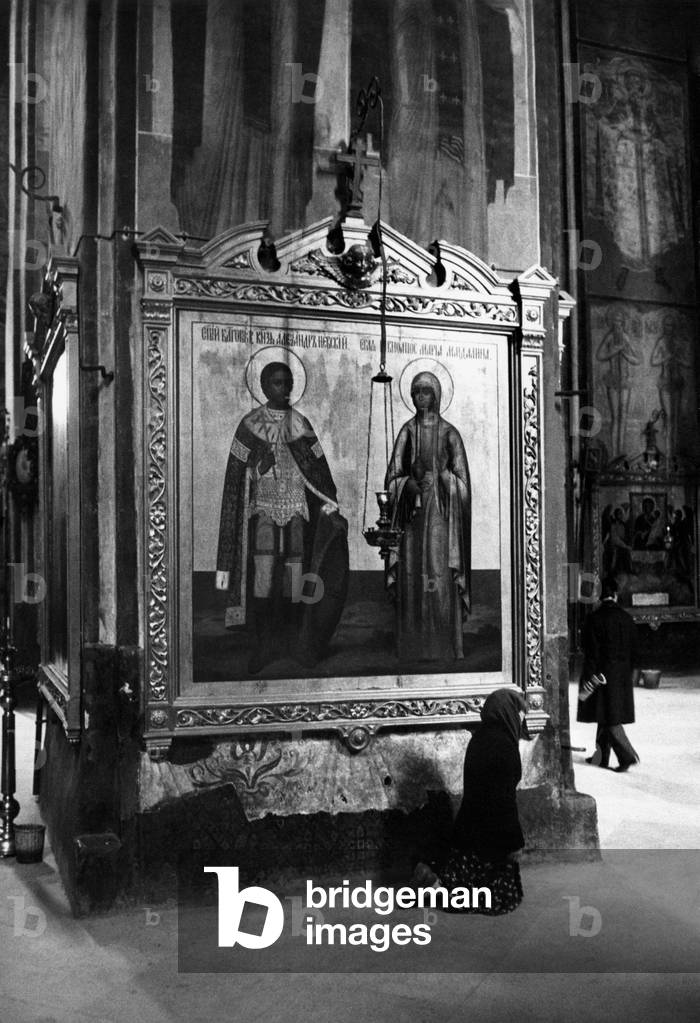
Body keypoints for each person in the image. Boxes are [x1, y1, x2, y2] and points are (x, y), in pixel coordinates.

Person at [215, 361, 348, 673]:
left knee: (294, 577)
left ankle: (294, 642)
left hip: (297, 510)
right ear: (264, 386)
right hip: (262, 509)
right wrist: (260, 465)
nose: (284, 388)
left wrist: (330, 506)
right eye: (277, 382)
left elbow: (317, 469)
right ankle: (264, 645)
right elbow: (238, 477)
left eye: (287, 382)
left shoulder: (301, 424)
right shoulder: (250, 425)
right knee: (263, 577)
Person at [412, 688, 528, 915]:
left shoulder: (481, 736)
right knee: (500, 900)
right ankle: (432, 885)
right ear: (507, 713)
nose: (520, 720)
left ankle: (432, 882)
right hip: (493, 831)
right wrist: (515, 840)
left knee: (466, 883)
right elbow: (504, 800)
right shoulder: (504, 745)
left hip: (470, 825)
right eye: (518, 713)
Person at [385, 370, 470, 662]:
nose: (422, 397)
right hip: (412, 516)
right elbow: (392, 477)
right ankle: (412, 646)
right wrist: (406, 484)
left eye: (426, 392)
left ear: (436, 395)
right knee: (412, 575)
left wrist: (443, 478)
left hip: (441, 517)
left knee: (438, 573)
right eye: (417, 392)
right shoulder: (407, 431)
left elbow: (463, 485)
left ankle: (443, 644)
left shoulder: (450, 434)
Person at [578, 577, 639, 772]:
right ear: (615, 595)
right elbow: (634, 651)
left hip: (601, 675)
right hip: (621, 675)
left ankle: (627, 755)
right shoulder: (626, 618)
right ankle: (600, 757)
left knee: (609, 718)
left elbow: (591, 654)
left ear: (599, 597)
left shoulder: (594, 619)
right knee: (605, 713)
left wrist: (588, 680)